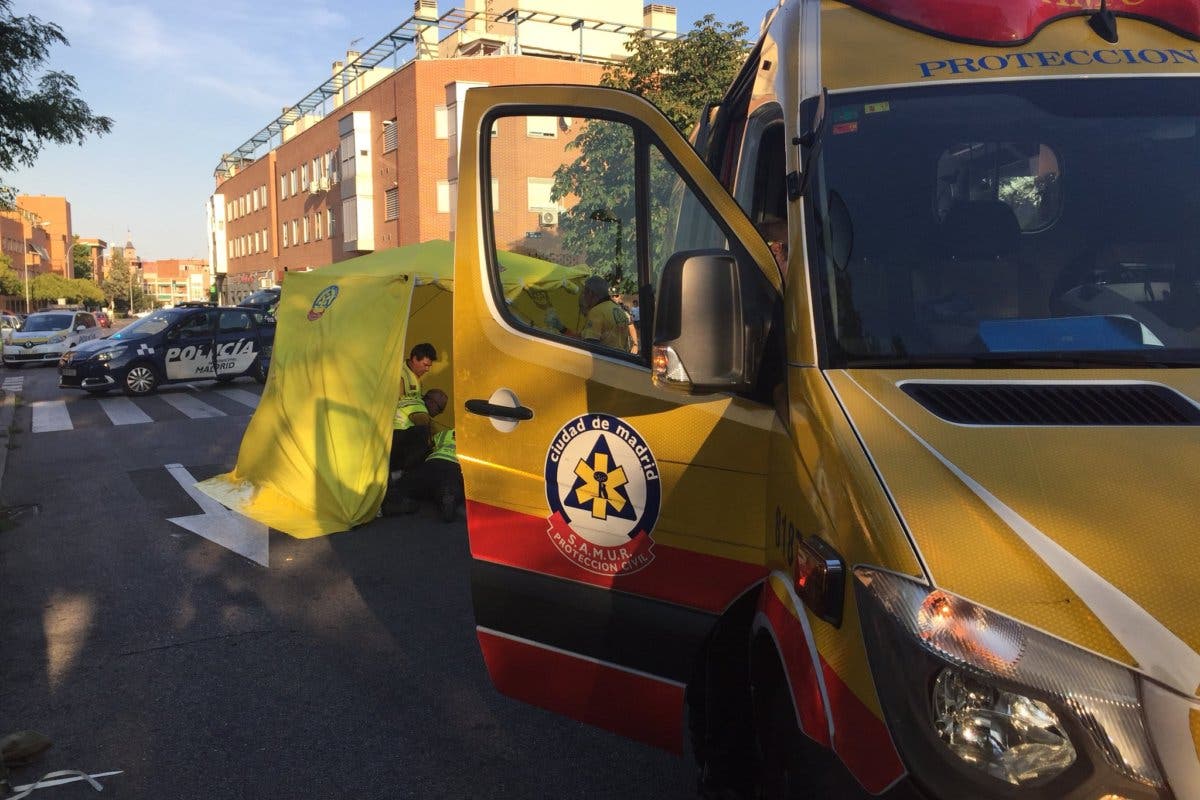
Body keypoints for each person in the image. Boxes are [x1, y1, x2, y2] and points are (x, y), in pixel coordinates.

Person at [392, 426, 463, 523]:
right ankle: (448, 495)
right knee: (452, 485)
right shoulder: (477, 438)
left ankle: (402, 501)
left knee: (408, 484)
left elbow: (428, 445)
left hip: (434, 461)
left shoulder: (445, 433)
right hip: (457, 466)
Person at [545, 276, 632, 351]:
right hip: (618, 360)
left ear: (591, 293)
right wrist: (563, 329)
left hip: (603, 363)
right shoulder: (617, 309)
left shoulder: (597, 312)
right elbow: (586, 337)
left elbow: (589, 345)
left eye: (585, 292)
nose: (583, 296)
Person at [390, 387, 447, 474]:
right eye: (440, 409)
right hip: (396, 440)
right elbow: (429, 429)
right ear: (431, 402)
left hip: (391, 436)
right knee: (424, 436)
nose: (439, 413)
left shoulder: (412, 401)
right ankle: (403, 473)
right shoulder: (419, 408)